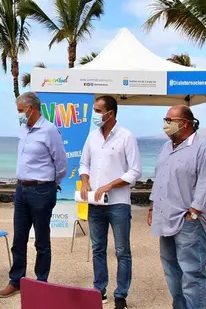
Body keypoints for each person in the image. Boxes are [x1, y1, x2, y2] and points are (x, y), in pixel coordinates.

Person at [147, 105, 206, 309]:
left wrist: (194, 212)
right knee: (171, 268)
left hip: (189, 221)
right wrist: (153, 206)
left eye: (169, 120)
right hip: (166, 217)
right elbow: (160, 179)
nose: (165, 124)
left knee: (192, 272)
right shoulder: (166, 148)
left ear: (184, 123)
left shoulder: (202, 148)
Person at [0, 92, 68, 298]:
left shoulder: (49, 131)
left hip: (41, 190)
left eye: (21, 111)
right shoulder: (23, 129)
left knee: (41, 240)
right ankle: (16, 280)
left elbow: (61, 164)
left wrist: (51, 184)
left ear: (32, 109)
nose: (19, 115)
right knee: (19, 238)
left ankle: (41, 283)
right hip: (21, 190)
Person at [79, 96, 141, 309]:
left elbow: (135, 171)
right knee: (97, 248)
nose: (94, 114)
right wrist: (85, 181)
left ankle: (121, 295)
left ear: (110, 113)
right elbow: (83, 164)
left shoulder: (126, 137)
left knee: (122, 250)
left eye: (97, 110)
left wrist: (109, 186)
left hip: (118, 204)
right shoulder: (91, 137)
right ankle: (99, 290)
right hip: (95, 204)